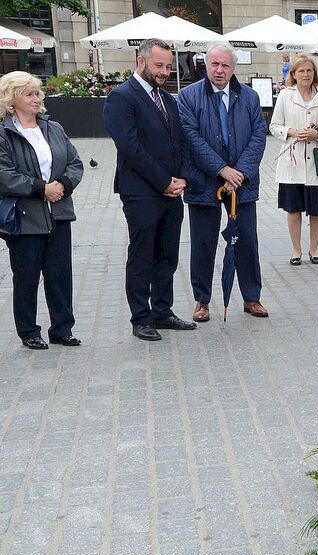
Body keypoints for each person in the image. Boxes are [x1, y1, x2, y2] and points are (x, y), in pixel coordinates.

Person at [103, 38, 196, 341]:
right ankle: (141, 317)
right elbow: (130, 148)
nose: (165, 72)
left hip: (171, 192)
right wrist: (164, 181)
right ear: (140, 61)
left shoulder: (168, 99)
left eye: (169, 66)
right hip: (141, 192)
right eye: (159, 65)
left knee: (167, 254)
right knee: (142, 255)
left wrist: (180, 179)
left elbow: (179, 142)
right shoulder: (121, 97)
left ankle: (163, 311)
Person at [178, 43, 268, 323]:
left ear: (233, 67)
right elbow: (190, 138)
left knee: (246, 241)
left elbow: (258, 136)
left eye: (225, 65)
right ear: (206, 64)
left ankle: (251, 296)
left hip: (241, 183)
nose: (219, 70)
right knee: (202, 243)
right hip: (203, 181)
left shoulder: (250, 97)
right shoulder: (188, 96)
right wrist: (221, 169)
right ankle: (202, 301)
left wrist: (238, 172)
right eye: (214, 64)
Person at [0, 71, 83, 349]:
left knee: (60, 275)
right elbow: (4, 175)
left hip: (59, 213)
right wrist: (41, 188)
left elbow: (75, 162)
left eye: (38, 93)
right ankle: (29, 331)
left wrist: (63, 184)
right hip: (24, 217)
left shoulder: (53, 128)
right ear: (12, 99)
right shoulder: (4, 133)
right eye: (29, 94)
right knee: (26, 277)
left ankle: (62, 329)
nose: (36, 99)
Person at [270, 53, 318, 266]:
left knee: (317, 209)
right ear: (294, 74)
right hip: (293, 160)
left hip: (316, 161)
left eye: (309, 70)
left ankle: (314, 249)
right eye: (301, 71)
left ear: (314, 73)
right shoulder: (285, 96)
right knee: (294, 208)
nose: (305, 74)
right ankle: (296, 250)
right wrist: (292, 131)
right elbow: (274, 126)